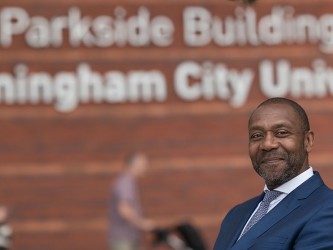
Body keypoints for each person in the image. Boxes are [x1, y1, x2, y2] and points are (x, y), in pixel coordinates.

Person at [214, 97, 333, 249]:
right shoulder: (235, 215)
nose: (267, 144)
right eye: (257, 135)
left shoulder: (327, 209)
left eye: (281, 133)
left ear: (308, 141)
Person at [108, 152, 156, 250]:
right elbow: (124, 210)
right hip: (124, 239)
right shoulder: (125, 183)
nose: (145, 168)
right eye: (143, 165)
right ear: (134, 165)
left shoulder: (128, 182)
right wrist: (142, 223)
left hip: (129, 237)